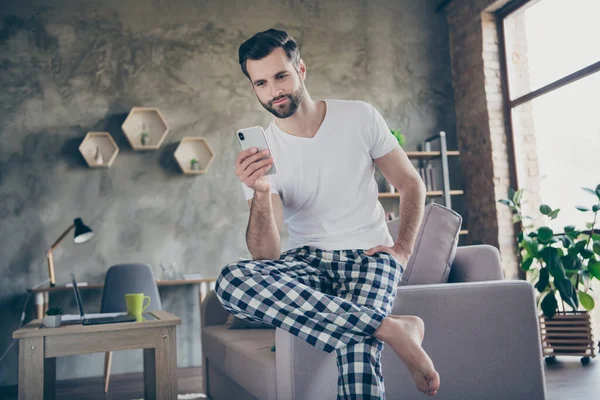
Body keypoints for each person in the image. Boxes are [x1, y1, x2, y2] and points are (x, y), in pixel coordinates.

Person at [215, 28, 440, 399]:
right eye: (261, 83)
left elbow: (411, 184)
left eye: (281, 75)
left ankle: (377, 330)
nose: (274, 90)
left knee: (356, 354)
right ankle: (389, 328)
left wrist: (401, 250)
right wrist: (260, 191)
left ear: (301, 69)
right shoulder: (262, 155)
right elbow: (266, 256)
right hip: (307, 262)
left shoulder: (359, 116)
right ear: (253, 88)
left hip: (369, 257)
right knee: (231, 282)